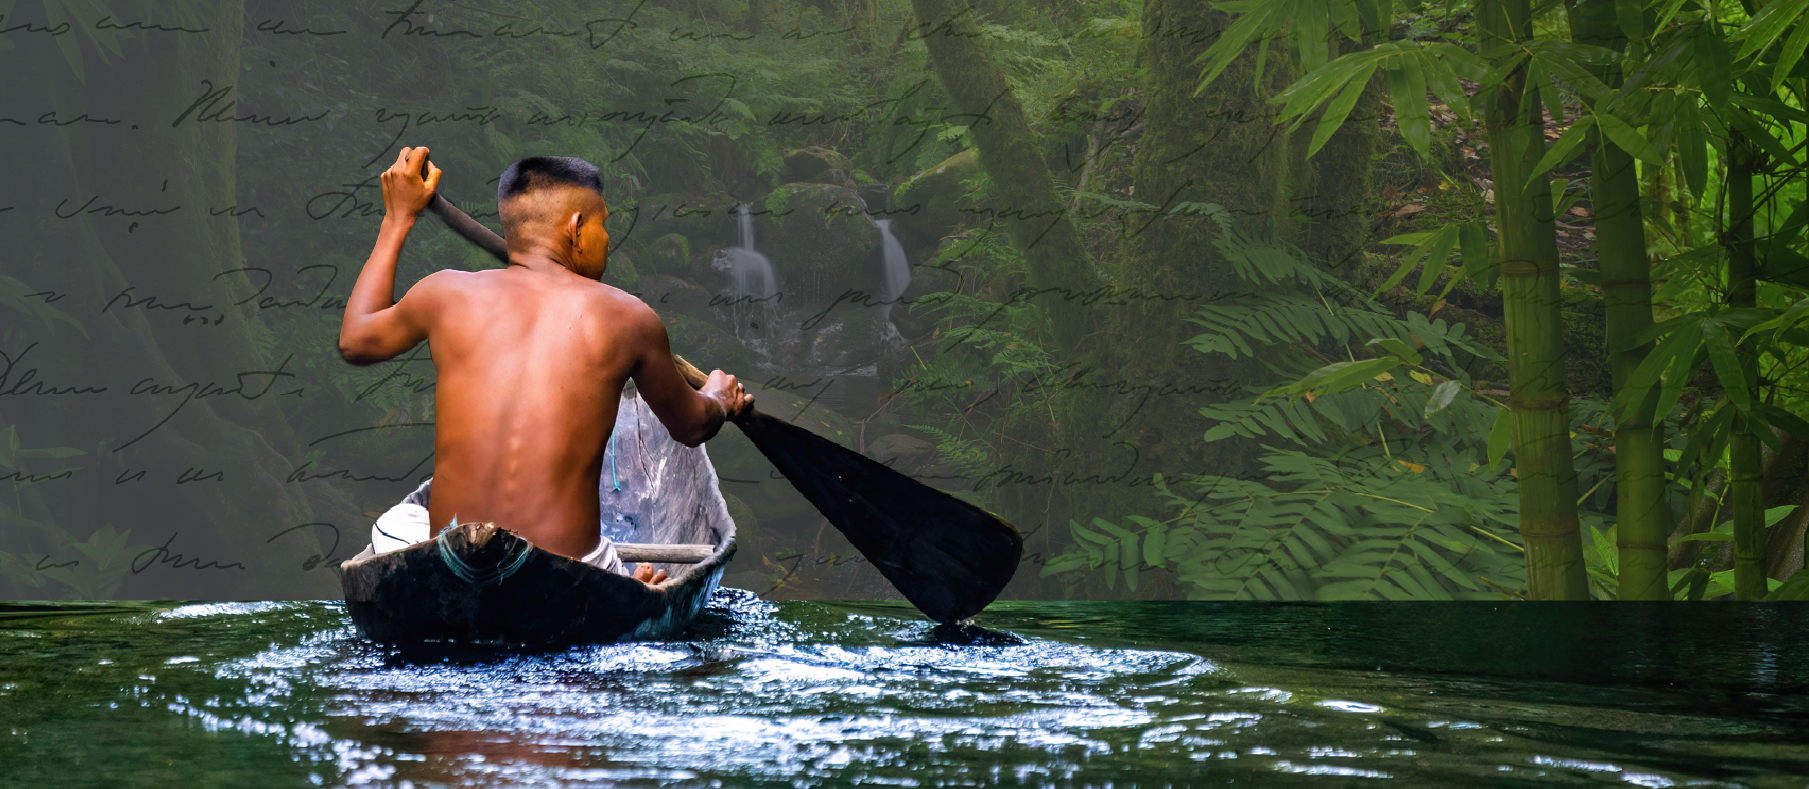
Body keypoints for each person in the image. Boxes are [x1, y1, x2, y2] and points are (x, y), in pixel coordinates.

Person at [338, 147, 753, 588]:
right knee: (607, 565)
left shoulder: (444, 293)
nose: (608, 238)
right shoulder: (629, 318)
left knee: (401, 520)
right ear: (576, 228)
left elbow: (356, 340)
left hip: (450, 561)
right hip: (568, 575)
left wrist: (397, 218)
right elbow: (691, 427)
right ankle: (627, 586)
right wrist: (718, 398)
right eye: (604, 223)